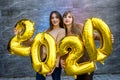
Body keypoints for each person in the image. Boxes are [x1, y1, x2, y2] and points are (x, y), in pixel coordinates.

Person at [60, 11, 114, 80]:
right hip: (76, 64)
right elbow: (63, 50)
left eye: (69, 17)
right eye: (65, 17)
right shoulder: (62, 33)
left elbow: (94, 36)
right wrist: (62, 59)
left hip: (87, 60)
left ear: (73, 19)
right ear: (62, 19)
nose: (67, 19)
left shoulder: (79, 26)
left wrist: (106, 38)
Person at [36, 11, 65, 80]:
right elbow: (37, 42)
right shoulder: (47, 31)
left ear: (60, 19)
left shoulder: (62, 31)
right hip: (42, 60)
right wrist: (22, 37)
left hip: (53, 60)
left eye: (56, 17)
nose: (54, 20)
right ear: (50, 20)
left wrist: (54, 65)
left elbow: (58, 49)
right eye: (52, 18)